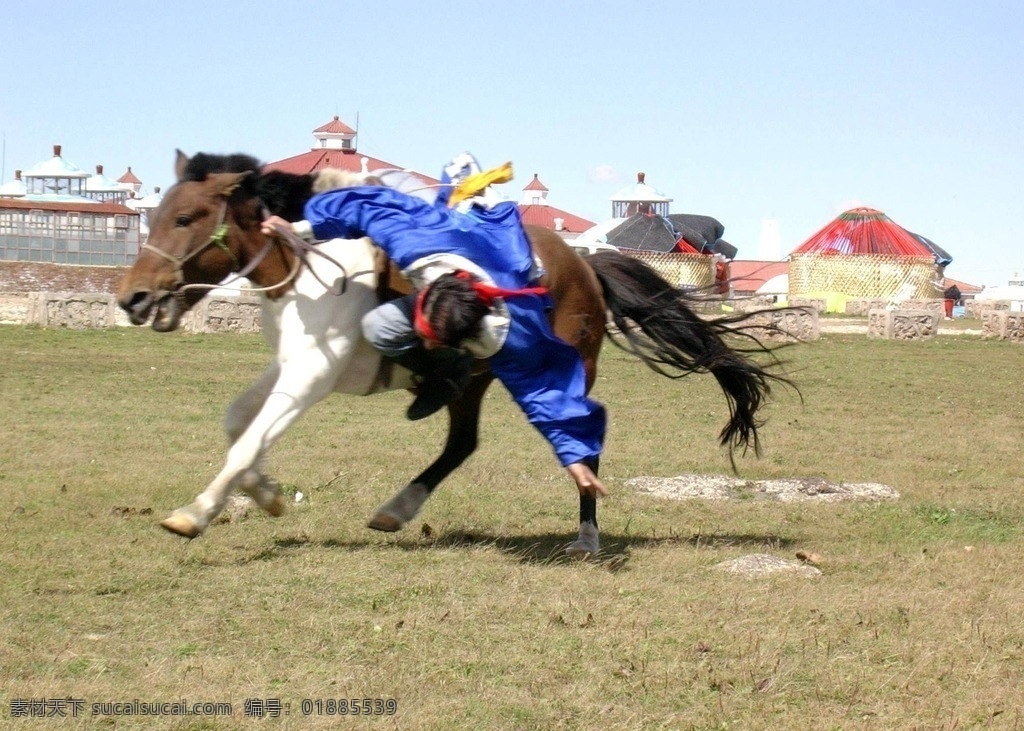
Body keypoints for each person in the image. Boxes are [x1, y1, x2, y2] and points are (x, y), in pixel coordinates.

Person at [261, 154, 608, 499]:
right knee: (379, 325)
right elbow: (366, 206)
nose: (426, 344)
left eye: (436, 342)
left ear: (473, 339)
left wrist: (574, 456)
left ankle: (454, 370)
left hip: (498, 262)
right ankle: (443, 374)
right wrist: (299, 227)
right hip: (448, 248)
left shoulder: (514, 330)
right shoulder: (415, 242)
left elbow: (542, 391)